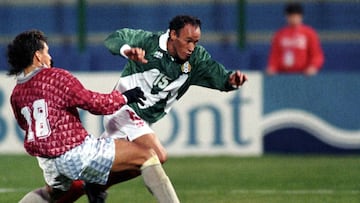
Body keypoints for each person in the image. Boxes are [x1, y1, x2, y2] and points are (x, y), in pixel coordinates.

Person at [7, 30, 179, 203]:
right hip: (75, 153)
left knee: (51, 193)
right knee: (147, 155)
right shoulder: (56, 77)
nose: (49, 57)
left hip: (47, 162)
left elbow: (25, 125)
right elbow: (94, 103)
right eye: (47, 52)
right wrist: (125, 97)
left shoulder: (17, 93)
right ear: (37, 56)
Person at [266, 2, 324, 76]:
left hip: (303, 75)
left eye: (296, 16)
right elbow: (275, 55)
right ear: (287, 17)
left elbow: (316, 54)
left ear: (301, 17)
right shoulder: (280, 34)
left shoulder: (309, 33)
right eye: (291, 16)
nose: (293, 19)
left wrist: (313, 66)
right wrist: (272, 67)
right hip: (283, 74)